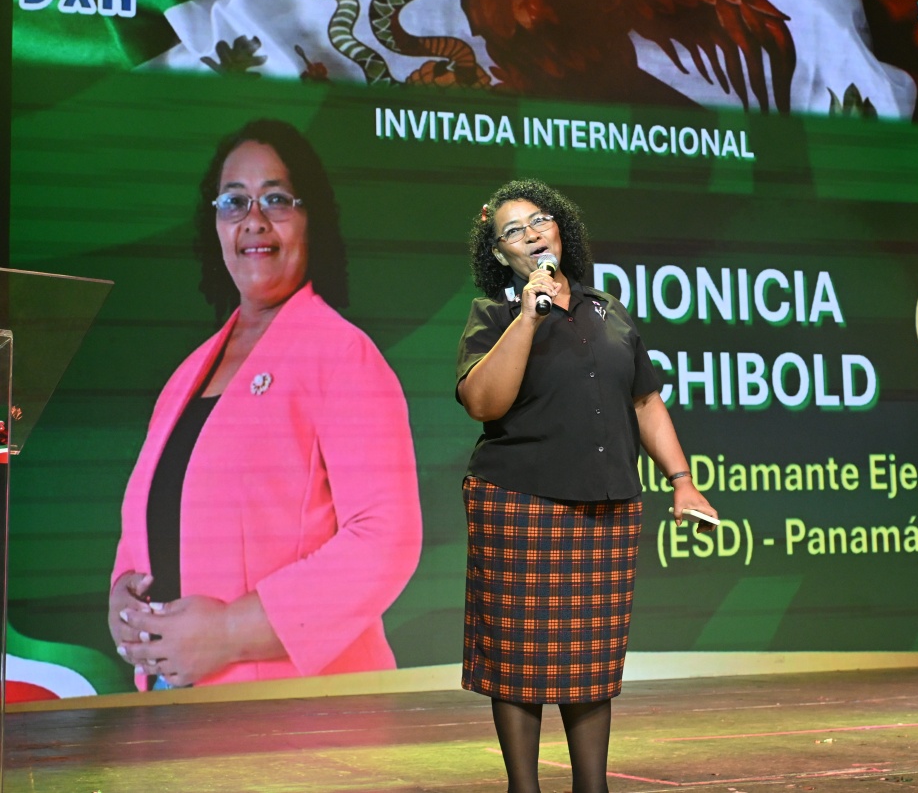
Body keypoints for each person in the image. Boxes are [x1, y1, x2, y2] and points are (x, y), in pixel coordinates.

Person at [107, 119, 422, 690]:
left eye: (276, 199)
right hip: (177, 709)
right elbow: (153, 517)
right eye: (234, 202)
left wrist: (230, 631)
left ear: (310, 218)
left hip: (299, 713)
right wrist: (122, 595)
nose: (254, 220)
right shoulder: (186, 376)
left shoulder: (343, 355)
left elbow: (385, 539)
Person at [455, 178, 718, 792]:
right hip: (518, 502)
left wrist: (682, 480)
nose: (531, 235)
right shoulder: (494, 314)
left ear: (560, 228)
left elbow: (645, 401)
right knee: (517, 655)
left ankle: (591, 786)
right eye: (513, 232)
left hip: (606, 504)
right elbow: (483, 402)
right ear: (500, 255)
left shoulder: (609, 311)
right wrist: (528, 314)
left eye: (539, 221)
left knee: (591, 659)